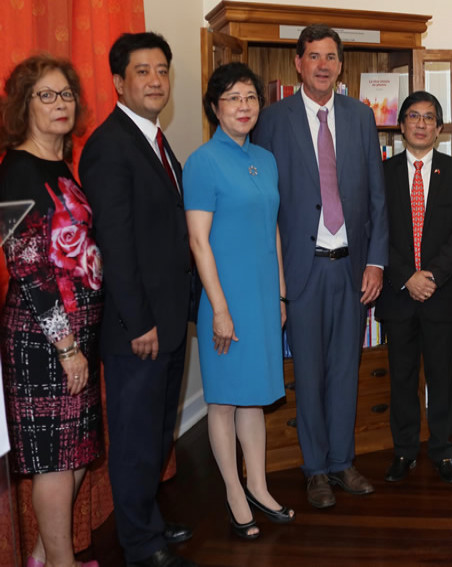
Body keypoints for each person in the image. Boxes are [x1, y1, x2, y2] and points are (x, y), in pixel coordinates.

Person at [253, 23, 388, 509]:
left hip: (351, 270)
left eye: (331, 57)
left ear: (340, 65)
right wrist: (276, 279)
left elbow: (376, 197)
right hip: (302, 270)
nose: (323, 65)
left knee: (345, 371)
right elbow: (263, 202)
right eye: (314, 56)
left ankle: (342, 463)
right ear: (298, 63)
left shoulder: (360, 117)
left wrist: (375, 261)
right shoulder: (273, 119)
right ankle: (314, 470)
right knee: (307, 372)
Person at [79, 33, 195, 567]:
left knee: (156, 433)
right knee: (134, 439)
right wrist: (138, 320)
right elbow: (115, 245)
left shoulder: (154, 139)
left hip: (168, 322)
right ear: (119, 82)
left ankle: (146, 519)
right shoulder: (109, 145)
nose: (155, 80)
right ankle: (139, 543)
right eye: (142, 71)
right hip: (139, 330)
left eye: (161, 70)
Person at [183, 62, 294, 540]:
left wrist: (283, 293)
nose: (243, 106)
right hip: (224, 297)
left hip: (264, 296)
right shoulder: (203, 161)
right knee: (226, 400)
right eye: (232, 98)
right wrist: (221, 309)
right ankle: (233, 491)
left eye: (250, 96)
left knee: (254, 397)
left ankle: (259, 486)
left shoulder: (265, 159)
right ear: (214, 107)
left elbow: (272, 228)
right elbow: (198, 241)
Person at [0, 54, 102, 567]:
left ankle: (43, 556)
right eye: (46, 95)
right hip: (43, 339)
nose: (59, 104)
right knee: (56, 465)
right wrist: (66, 347)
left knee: (74, 455)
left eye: (65, 94)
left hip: (72, 336)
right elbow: (28, 268)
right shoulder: (17, 170)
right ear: (24, 105)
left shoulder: (59, 164)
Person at [376, 91, 452, 484]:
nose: (420, 123)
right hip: (399, 292)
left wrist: (431, 276)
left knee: (442, 376)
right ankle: (403, 451)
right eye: (413, 116)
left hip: (441, 291)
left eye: (429, 117)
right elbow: (376, 231)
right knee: (401, 377)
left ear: (439, 127)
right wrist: (407, 276)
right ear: (401, 126)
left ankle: (443, 451)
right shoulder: (382, 173)